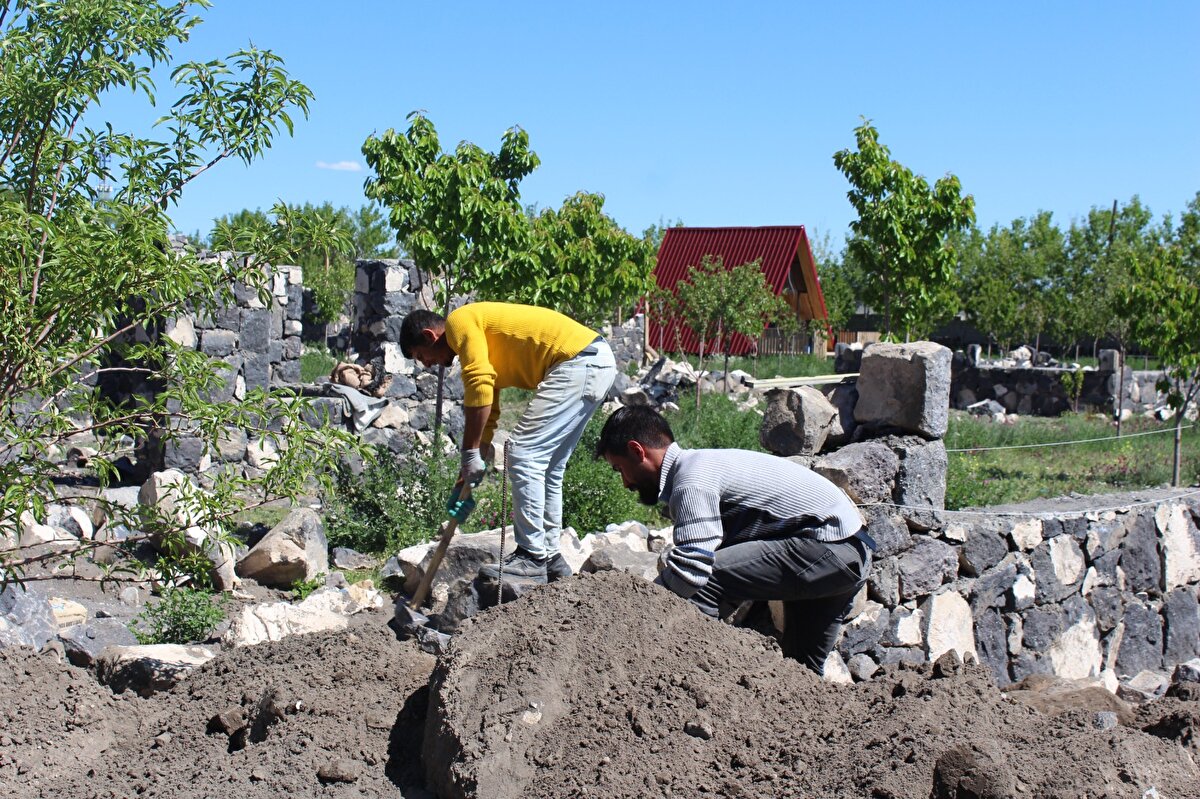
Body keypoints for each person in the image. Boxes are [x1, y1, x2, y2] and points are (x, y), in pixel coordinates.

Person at [595, 405, 874, 672]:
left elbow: (694, 571)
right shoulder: (704, 464)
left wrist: (637, 614)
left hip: (827, 547)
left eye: (620, 469)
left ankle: (684, 677)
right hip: (848, 552)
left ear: (637, 450)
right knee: (802, 670)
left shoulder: (691, 480)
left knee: (706, 578)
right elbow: (737, 565)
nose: (625, 483)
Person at [400, 302, 616, 584]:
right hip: (594, 360)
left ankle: (531, 556)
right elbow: (488, 413)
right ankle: (550, 557)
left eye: (421, 356)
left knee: (523, 452)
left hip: (576, 362)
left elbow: (479, 384)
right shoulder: (484, 342)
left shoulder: (458, 322)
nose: (428, 364)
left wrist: (468, 453)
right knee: (548, 466)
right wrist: (466, 475)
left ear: (430, 336)